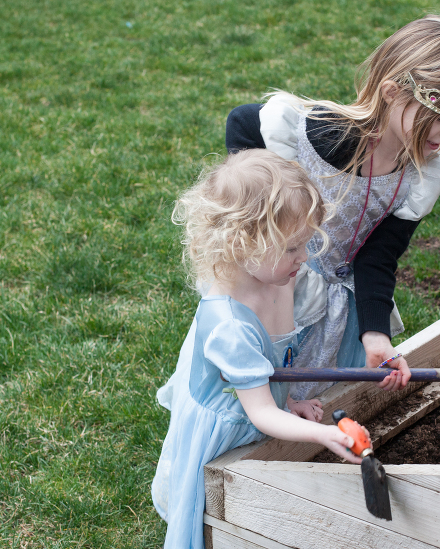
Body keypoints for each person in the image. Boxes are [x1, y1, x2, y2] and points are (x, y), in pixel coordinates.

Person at [225, 15, 440, 401]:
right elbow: (243, 122)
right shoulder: (311, 138)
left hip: (337, 316)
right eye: (439, 116)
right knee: (252, 405)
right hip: (273, 296)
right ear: (391, 93)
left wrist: (376, 334)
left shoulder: (422, 174)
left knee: (311, 407)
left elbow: (377, 258)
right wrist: (265, 228)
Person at [151, 149, 364, 549]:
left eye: (304, 243)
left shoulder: (278, 280)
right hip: (226, 427)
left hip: (254, 410)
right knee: (210, 513)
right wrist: (322, 435)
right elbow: (260, 411)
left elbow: (269, 375)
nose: (304, 258)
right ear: (241, 243)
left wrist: (287, 404)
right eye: (291, 248)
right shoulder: (230, 325)